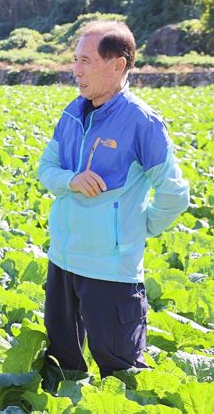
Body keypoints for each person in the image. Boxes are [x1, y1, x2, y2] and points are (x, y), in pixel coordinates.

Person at [38, 20, 189, 381]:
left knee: (121, 372)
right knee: (63, 366)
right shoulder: (72, 112)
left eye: (86, 61)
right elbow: (46, 168)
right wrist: (71, 180)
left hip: (110, 271)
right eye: (75, 60)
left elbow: (174, 194)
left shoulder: (142, 122)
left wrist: (133, 230)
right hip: (62, 260)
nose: (76, 71)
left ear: (118, 64)